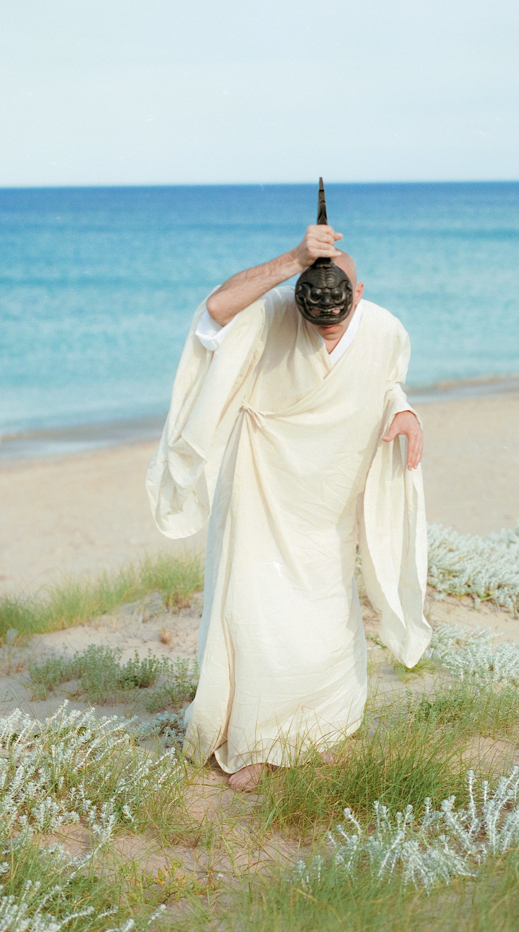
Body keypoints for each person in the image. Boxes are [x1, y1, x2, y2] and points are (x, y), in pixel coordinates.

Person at [146, 220, 432, 791]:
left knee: (328, 613)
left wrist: (403, 410)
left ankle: (322, 730)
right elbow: (216, 311)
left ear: (360, 293)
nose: (327, 323)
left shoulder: (385, 329)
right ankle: (256, 741)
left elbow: (386, 382)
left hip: (331, 492)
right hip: (261, 485)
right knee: (255, 613)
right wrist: (292, 259)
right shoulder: (274, 311)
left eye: (339, 311)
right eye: (316, 312)